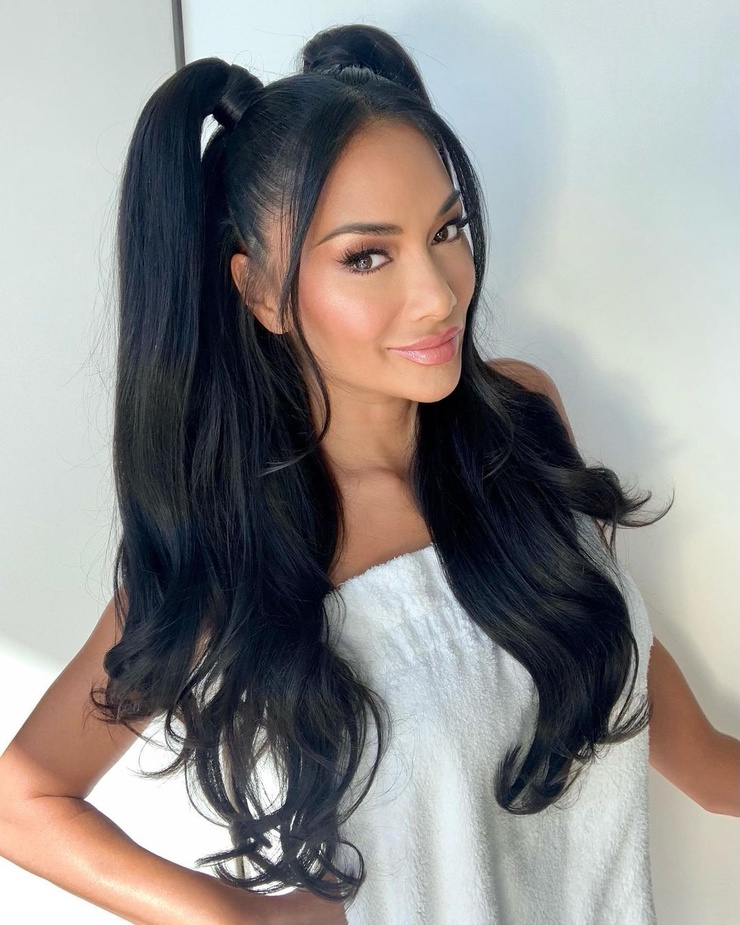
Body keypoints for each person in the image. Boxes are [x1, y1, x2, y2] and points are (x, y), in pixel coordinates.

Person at [0, 21, 737, 925]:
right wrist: (256, 918)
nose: (440, 293)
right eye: (366, 255)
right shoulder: (232, 547)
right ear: (259, 291)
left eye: (448, 229)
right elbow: (23, 798)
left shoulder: (521, 420)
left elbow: (695, 756)